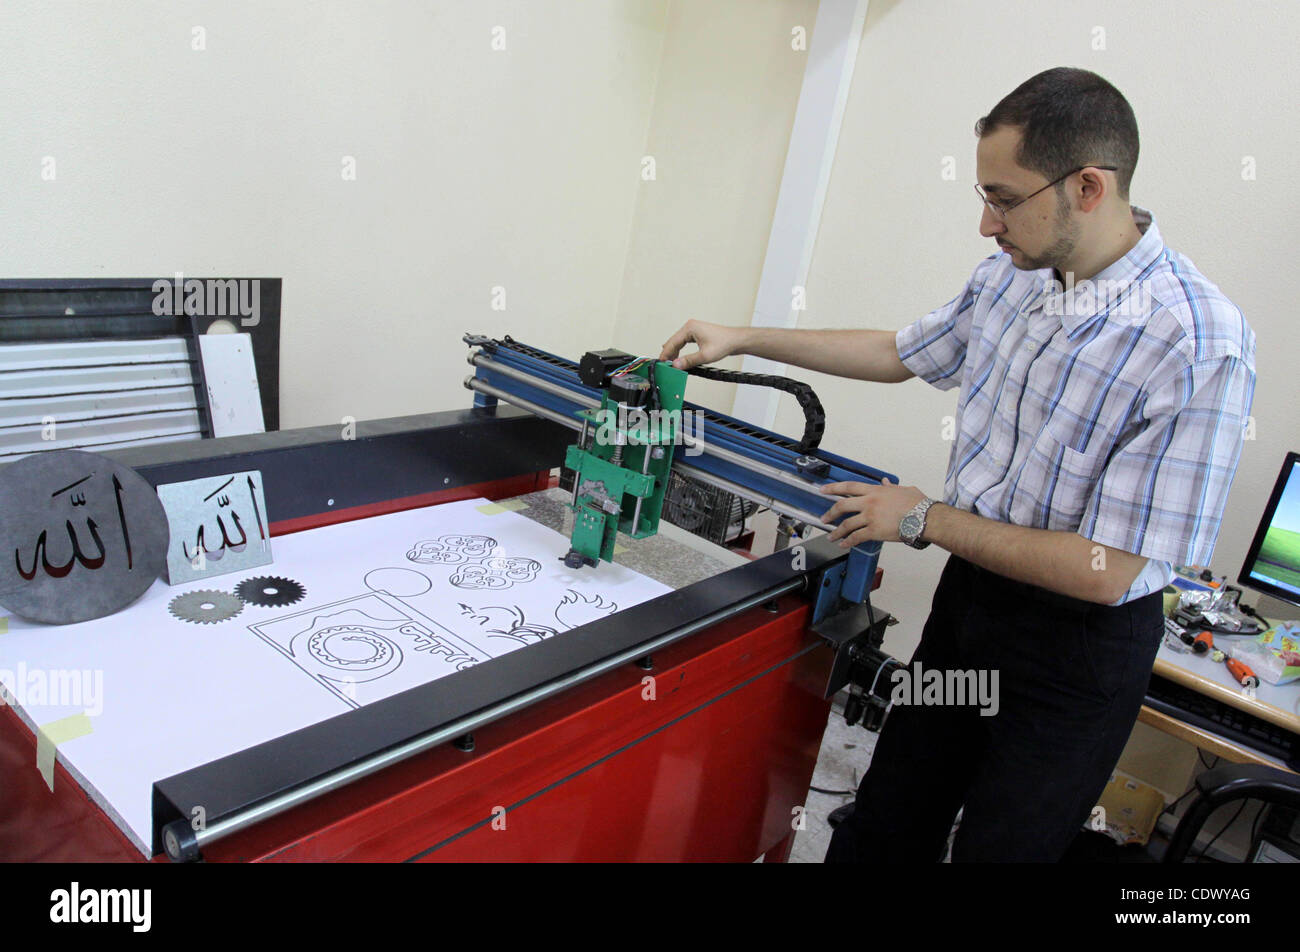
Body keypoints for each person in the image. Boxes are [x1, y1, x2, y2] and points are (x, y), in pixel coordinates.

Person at [658, 67, 1256, 862]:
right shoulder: (1015, 276)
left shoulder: (1194, 341)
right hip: (972, 613)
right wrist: (746, 336)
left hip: (1075, 660)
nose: (985, 224)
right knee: (890, 813)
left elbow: (1107, 569)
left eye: (1002, 199)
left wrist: (922, 517)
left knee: (1002, 848)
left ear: (1087, 186)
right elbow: (902, 351)